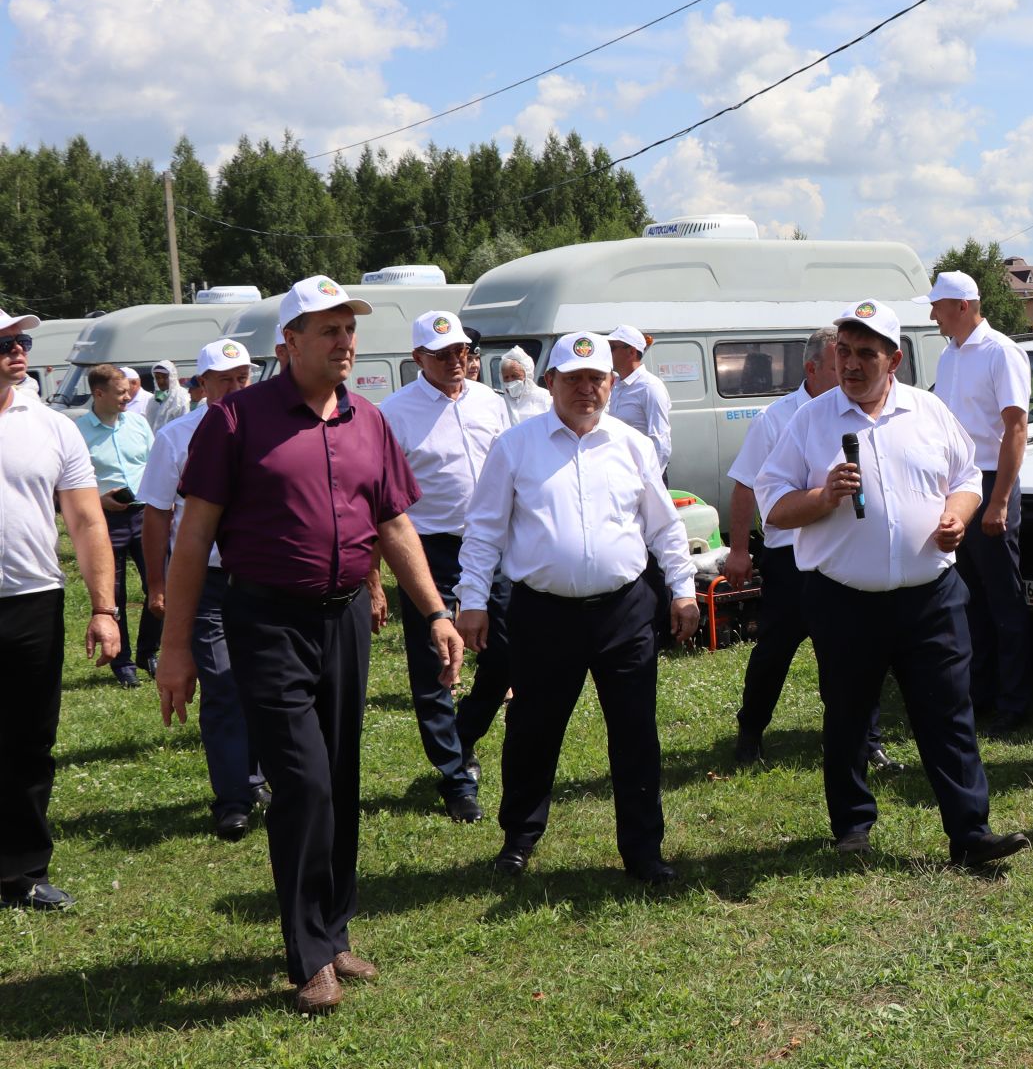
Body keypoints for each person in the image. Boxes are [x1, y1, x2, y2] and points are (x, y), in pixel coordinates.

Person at [156, 274, 463, 1014]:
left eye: (347, 328)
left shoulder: (369, 421)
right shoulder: (235, 420)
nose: (343, 341)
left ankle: (334, 928)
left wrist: (435, 613)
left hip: (345, 618)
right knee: (305, 783)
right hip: (265, 620)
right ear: (287, 343)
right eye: (326, 330)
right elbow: (193, 536)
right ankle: (308, 955)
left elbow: (393, 525)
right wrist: (174, 645)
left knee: (342, 775)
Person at [757, 300, 1029, 868]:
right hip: (843, 600)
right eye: (844, 352)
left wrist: (958, 514)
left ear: (895, 360)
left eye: (866, 354)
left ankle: (970, 833)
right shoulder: (810, 421)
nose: (851, 365)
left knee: (948, 714)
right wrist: (822, 496)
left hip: (930, 597)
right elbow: (774, 507)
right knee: (849, 714)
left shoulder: (929, 412)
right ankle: (853, 827)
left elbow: (966, 475)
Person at [454, 331, 698, 884]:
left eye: (597, 379)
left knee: (635, 731)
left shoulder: (632, 444)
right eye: (574, 379)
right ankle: (518, 838)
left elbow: (665, 527)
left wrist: (683, 589)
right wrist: (471, 601)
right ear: (550, 383)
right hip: (544, 613)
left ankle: (642, 850)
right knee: (534, 728)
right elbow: (485, 531)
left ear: (612, 383)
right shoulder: (516, 446)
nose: (586, 389)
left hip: (625, 610)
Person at [724, 326, 889, 768]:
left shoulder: (867, 412)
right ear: (814, 368)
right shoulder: (777, 418)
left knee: (853, 650)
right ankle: (751, 730)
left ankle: (866, 741)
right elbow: (744, 486)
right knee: (775, 649)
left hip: (843, 551)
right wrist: (740, 550)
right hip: (790, 558)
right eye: (840, 364)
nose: (850, 372)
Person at [1, 309, 120, 911]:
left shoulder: (51, 426)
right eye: (5, 342)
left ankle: (20, 871)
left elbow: (85, 520)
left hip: (31, 601)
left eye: (21, 341)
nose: (18, 350)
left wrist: (105, 608)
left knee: (27, 742)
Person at [375, 310, 513, 823]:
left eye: (461, 351)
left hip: (492, 545)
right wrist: (374, 578)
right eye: (442, 355)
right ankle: (456, 778)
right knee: (435, 662)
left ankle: (463, 734)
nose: (456, 362)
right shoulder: (393, 413)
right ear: (418, 360)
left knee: (506, 653)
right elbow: (380, 503)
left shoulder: (490, 402)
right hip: (428, 548)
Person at [137, 338, 267, 840]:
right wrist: (157, 583)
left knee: (262, 680)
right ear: (203, 384)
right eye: (226, 380)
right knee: (223, 683)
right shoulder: (177, 436)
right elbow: (156, 513)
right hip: (206, 581)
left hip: (260, 577)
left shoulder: (266, 426)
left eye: (243, 378)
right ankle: (232, 796)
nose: (236, 387)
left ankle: (255, 777)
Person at [925, 271, 1033, 737]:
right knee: (966, 601)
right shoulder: (949, 355)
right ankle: (980, 693)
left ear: (963, 306)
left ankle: (1015, 702)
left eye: (937, 306)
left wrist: (1000, 501)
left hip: (990, 483)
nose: (932, 315)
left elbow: (1016, 429)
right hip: (957, 484)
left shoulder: (1000, 352)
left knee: (1004, 601)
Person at [77, 363, 160, 686]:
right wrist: (99, 500)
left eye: (129, 391)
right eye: (121, 392)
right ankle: (122, 662)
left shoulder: (138, 424)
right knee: (114, 594)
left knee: (158, 586)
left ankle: (148, 651)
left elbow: (154, 464)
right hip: (104, 520)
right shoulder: (78, 432)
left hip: (145, 515)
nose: (129, 397)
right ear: (99, 393)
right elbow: (69, 485)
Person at [606, 323, 672, 472]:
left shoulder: (650, 386)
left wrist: (649, 479)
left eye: (612, 348)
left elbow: (661, 441)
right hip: (622, 471)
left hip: (643, 475)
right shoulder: (616, 383)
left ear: (631, 352)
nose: (607, 353)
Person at [498, 345, 551, 425]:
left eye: (514, 376)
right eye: (506, 377)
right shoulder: (501, 402)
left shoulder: (545, 398)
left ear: (526, 374)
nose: (510, 380)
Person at [146, 360, 190, 432]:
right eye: (157, 377)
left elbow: (184, 427)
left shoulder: (182, 398)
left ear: (172, 377)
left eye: (164, 377)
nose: (161, 381)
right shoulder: (153, 399)